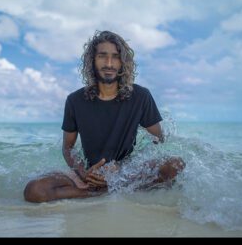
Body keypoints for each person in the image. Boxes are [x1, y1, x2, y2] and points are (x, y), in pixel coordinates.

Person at [23, 30, 185, 202]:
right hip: (89, 174)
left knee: (176, 165)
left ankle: (110, 188)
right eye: (102, 56)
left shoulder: (141, 96)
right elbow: (68, 148)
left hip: (127, 174)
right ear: (92, 60)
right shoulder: (75, 100)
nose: (109, 63)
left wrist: (123, 169)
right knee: (34, 191)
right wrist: (83, 173)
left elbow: (158, 140)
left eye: (115, 57)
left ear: (123, 62)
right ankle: (105, 191)